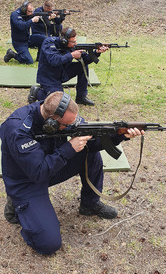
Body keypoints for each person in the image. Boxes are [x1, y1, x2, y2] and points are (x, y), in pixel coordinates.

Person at [0, 91, 144, 255]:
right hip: (27, 181)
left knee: (90, 153)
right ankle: (19, 207)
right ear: (51, 122)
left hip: (50, 167)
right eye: (67, 125)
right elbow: (38, 172)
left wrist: (119, 136)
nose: (71, 126)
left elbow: (93, 142)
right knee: (49, 244)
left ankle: (89, 204)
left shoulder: (62, 115)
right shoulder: (18, 130)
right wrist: (69, 148)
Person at [28, 27, 109, 106]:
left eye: (75, 41)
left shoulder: (71, 46)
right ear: (64, 41)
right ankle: (37, 92)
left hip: (63, 72)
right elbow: (54, 60)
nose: (75, 44)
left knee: (83, 66)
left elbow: (85, 60)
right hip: (49, 77)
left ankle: (81, 97)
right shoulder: (48, 43)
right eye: (73, 42)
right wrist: (71, 55)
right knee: (58, 102)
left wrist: (96, 53)